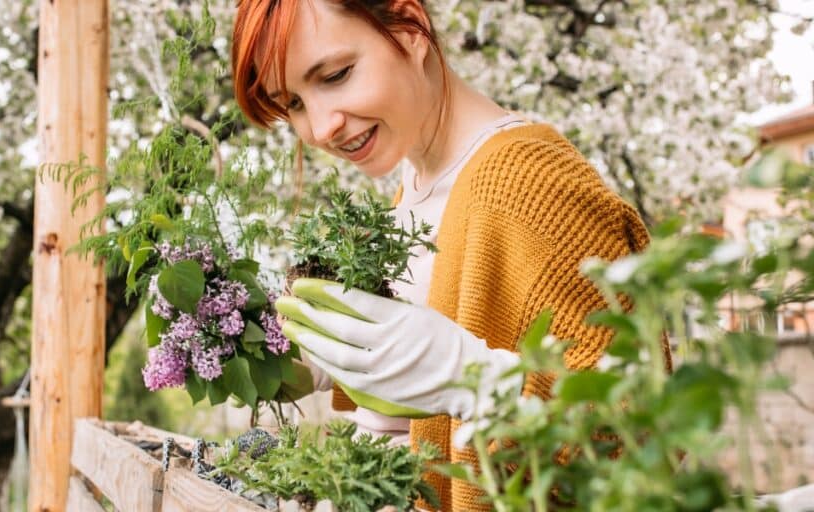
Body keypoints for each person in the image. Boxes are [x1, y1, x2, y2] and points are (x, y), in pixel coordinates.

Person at [231, 1, 669, 510]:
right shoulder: (415, 183)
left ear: (410, 27)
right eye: (295, 104)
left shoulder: (527, 181)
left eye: (336, 75)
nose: (322, 128)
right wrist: (313, 361)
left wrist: (476, 378)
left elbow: (634, 426)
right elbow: (409, 411)